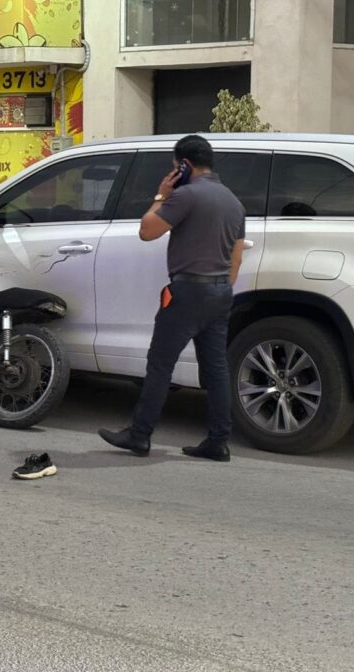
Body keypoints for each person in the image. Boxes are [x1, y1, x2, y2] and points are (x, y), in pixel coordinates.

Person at [98, 134, 245, 462]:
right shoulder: (234, 202)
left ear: (184, 165)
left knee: (160, 364)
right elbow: (236, 261)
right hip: (221, 291)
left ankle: (139, 435)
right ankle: (218, 441)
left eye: (174, 167)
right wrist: (217, 287)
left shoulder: (186, 196)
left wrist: (161, 195)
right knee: (217, 368)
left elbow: (147, 231)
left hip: (188, 291)